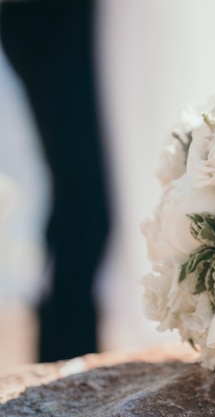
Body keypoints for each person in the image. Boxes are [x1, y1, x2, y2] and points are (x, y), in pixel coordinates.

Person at [0, 0, 110, 362]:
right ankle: (66, 359)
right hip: (47, 17)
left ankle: (69, 355)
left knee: (83, 203)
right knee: (84, 205)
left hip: (79, 20)